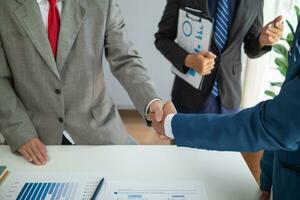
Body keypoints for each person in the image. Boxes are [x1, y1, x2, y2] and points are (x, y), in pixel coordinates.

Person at [0, 0, 170, 166]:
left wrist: (151, 102)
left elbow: (125, 59)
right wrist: (20, 132)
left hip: (98, 129)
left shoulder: (102, 3)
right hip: (33, 135)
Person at [154, 23, 300, 200]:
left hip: (229, 98)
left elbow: (272, 125)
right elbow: (281, 117)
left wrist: (172, 125)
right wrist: (268, 181)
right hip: (189, 96)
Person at [155, 0, 283, 115]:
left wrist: (261, 41)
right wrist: (188, 60)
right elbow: (162, 38)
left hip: (229, 97)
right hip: (189, 95)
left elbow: (250, 47)